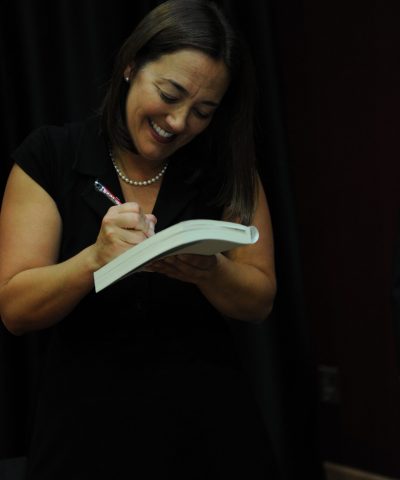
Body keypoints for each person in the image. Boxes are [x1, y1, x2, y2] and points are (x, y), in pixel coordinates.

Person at [0, 0, 277, 478]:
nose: (178, 122)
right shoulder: (50, 155)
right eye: (170, 94)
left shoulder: (226, 169)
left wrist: (212, 272)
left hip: (207, 425)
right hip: (84, 429)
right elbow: (16, 310)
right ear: (131, 65)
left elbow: (260, 300)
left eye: (203, 111)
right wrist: (94, 259)